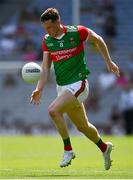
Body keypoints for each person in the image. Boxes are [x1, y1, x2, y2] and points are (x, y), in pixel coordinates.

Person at [30, 8, 120, 170]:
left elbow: (98, 39)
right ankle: (104, 147)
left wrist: (109, 62)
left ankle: (68, 150)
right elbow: (45, 68)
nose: (48, 31)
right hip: (63, 87)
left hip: (79, 83)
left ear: (58, 22)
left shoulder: (77, 32)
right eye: (45, 29)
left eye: (50, 27)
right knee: (82, 126)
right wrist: (39, 89)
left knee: (53, 110)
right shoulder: (47, 41)